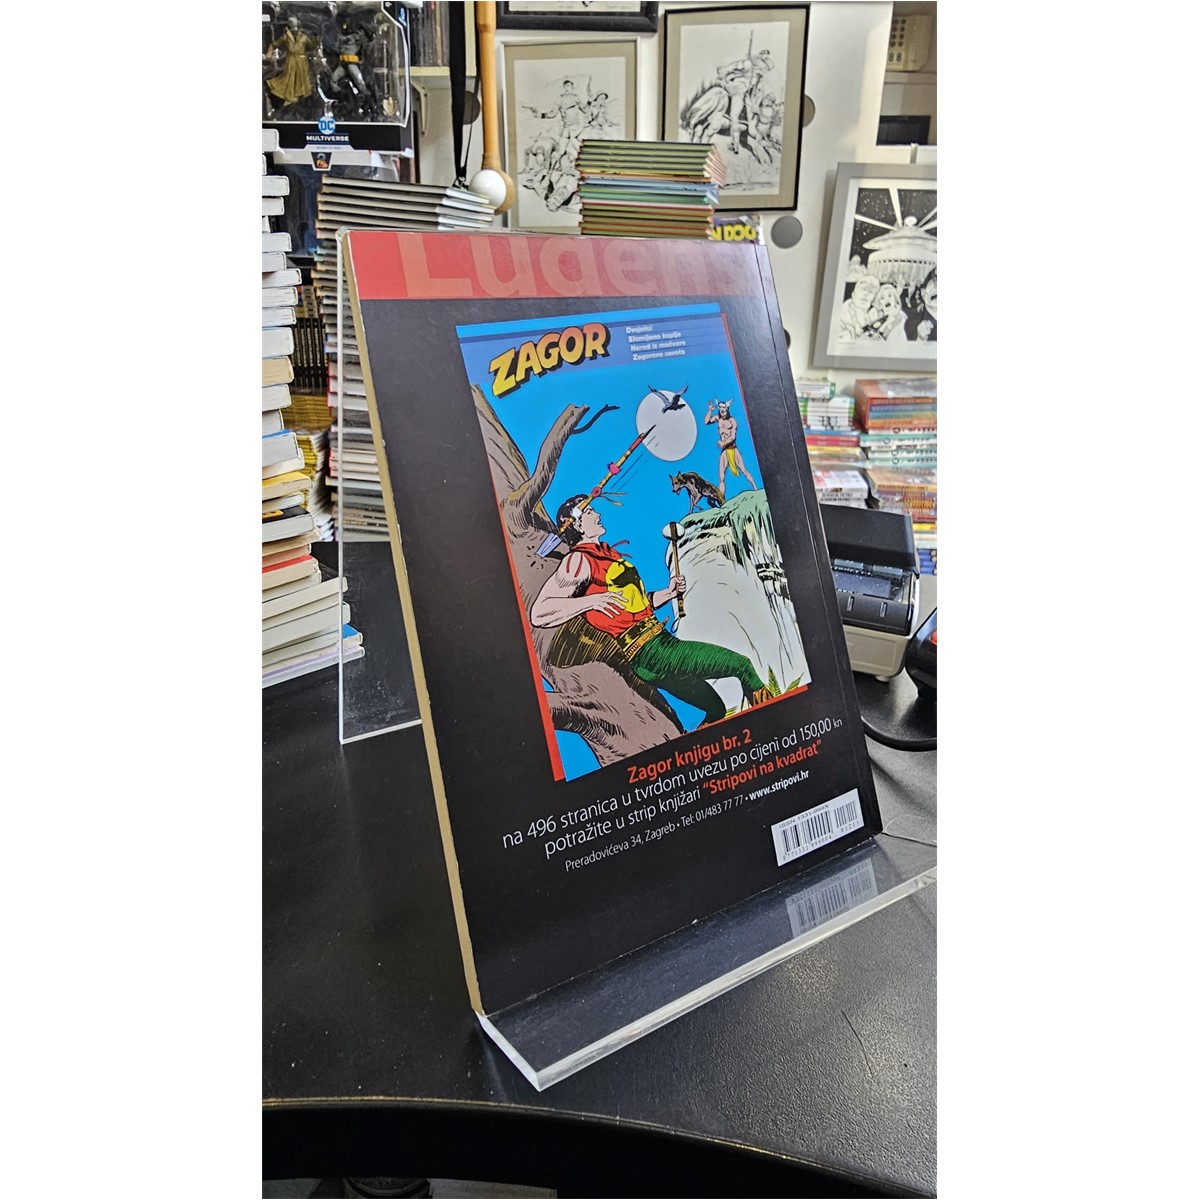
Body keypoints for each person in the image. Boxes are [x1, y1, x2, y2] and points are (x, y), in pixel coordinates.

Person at [530, 498, 771, 726]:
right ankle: (773, 723)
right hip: (654, 652)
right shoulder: (578, 561)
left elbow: (634, 604)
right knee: (742, 666)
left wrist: (668, 592)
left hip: (651, 654)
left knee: (716, 709)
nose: (598, 514)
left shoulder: (605, 556)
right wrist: (590, 601)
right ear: (577, 524)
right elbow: (540, 612)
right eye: (590, 512)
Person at [705, 399, 758, 500]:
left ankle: (756, 489)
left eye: (723, 408)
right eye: (720, 408)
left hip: (733, 449)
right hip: (724, 451)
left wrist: (724, 442)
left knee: (744, 470)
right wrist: (710, 410)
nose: (722, 410)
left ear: (727, 408)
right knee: (721, 477)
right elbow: (706, 421)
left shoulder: (732, 421)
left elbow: (733, 436)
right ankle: (721, 499)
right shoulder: (718, 419)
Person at [265, 16, 318, 110]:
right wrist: (269, 54)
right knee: (289, 78)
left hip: (302, 61)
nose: (292, 23)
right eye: (290, 22)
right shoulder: (286, 36)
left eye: (293, 21)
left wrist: (316, 38)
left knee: (302, 80)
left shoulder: (304, 37)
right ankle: (289, 97)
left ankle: (299, 99)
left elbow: (312, 47)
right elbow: (274, 44)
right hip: (291, 60)